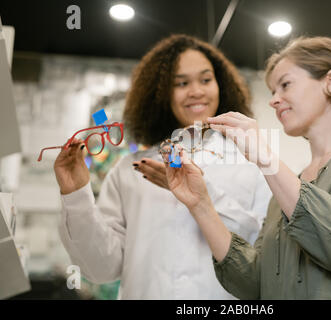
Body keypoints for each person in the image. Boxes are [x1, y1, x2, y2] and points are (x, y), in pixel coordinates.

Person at [165, 36, 331, 299]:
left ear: (330, 82)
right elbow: (255, 285)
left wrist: (264, 158)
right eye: (272, 91)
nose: (274, 100)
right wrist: (201, 205)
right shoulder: (282, 195)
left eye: (285, 84)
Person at [54, 34, 271, 299]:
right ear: (161, 93)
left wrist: (204, 196)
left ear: (221, 85)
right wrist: (76, 195)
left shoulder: (251, 164)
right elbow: (102, 268)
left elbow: (262, 255)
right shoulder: (131, 170)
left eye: (206, 79)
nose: (196, 91)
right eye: (181, 83)